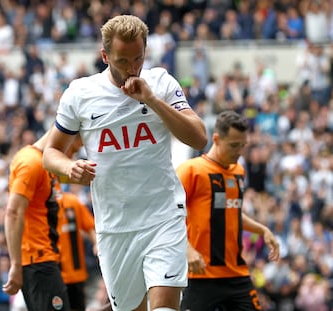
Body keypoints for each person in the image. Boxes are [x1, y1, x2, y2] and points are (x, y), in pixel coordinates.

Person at [43, 14, 207, 311]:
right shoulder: (80, 94)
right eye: (122, 61)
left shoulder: (161, 82)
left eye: (138, 59)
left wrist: (153, 100)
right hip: (115, 227)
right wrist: (69, 168)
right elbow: (50, 153)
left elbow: (198, 138)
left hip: (163, 216)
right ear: (105, 56)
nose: (132, 68)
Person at [175, 110, 280, 311]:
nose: (239, 151)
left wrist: (262, 230)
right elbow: (169, 213)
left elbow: (232, 212)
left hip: (236, 275)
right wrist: (187, 249)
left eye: (243, 145)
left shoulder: (238, 172)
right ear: (216, 139)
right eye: (234, 145)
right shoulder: (191, 171)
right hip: (201, 275)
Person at [2, 131, 71, 311]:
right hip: (38, 262)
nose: (73, 155)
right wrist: (16, 264)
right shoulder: (31, 162)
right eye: (75, 148)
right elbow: (13, 212)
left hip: (46, 260)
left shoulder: (47, 164)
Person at [57, 183, 97, 311]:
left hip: (75, 272)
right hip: (53, 273)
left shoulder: (72, 202)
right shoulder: (40, 206)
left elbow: (89, 226)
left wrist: (97, 244)